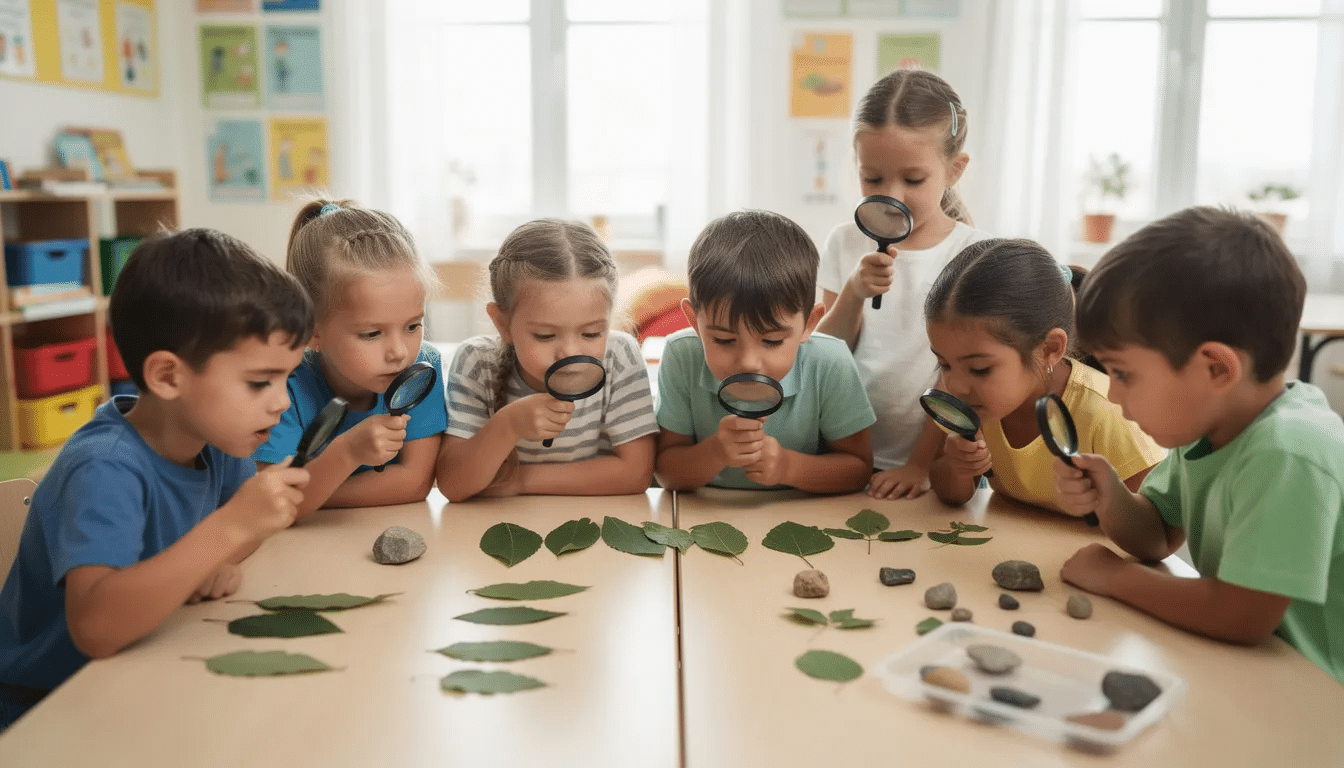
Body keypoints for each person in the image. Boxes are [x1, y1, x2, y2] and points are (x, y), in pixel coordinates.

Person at [0, 229, 314, 729]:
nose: (279, 402)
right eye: (259, 382)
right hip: (44, 708)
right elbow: (96, 629)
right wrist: (230, 530)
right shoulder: (104, 468)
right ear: (168, 376)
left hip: (142, 670)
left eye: (286, 379)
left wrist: (223, 550)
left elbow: (226, 541)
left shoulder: (221, 436)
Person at [1053, 206, 1344, 683]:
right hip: (1246, 672)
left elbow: (1241, 615)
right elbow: (1158, 536)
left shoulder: (1288, 450)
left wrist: (1117, 578)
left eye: (1123, 374)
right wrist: (1111, 496)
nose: (1113, 393)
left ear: (1216, 370)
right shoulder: (1209, 428)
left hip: (1317, 696)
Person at [817, 68, 994, 500]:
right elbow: (824, 355)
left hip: (931, 468)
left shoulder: (975, 255)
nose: (892, 194)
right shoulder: (844, 241)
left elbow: (963, 377)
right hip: (842, 456)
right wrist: (854, 294)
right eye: (872, 179)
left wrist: (920, 464)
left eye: (913, 180)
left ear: (954, 169)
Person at [923, 238, 1164, 512]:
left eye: (980, 369)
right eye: (944, 363)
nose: (955, 386)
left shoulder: (1105, 411)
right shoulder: (977, 405)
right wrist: (959, 469)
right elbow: (951, 493)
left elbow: (1155, 521)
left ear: (1049, 349)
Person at [655, 209, 875, 492]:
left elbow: (858, 470)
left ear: (809, 323)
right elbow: (666, 473)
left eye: (772, 341)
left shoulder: (830, 362)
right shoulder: (681, 355)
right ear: (694, 322)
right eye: (723, 339)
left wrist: (788, 467)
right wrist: (715, 452)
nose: (748, 363)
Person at [437, 219, 657, 500]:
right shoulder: (477, 363)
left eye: (591, 333)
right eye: (544, 336)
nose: (569, 352)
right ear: (502, 324)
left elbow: (636, 473)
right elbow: (453, 485)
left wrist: (519, 480)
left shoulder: (620, 356)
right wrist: (508, 426)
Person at [254, 200, 446, 515]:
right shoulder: (283, 385)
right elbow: (272, 503)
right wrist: (347, 453)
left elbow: (415, 483)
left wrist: (310, 493)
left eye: (413, 326)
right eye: (372, 334)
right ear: (312, 331)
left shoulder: (423, 369)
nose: (399, 352)